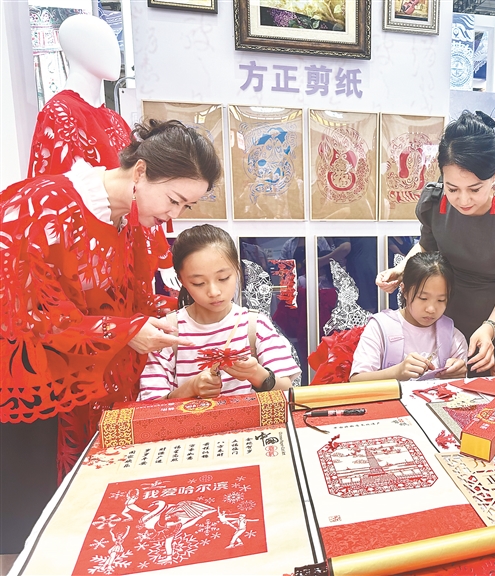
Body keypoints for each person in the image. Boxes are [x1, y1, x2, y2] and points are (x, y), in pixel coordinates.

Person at [0, 119, 221, 554]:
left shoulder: (132, 222)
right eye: (173, 200)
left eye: (187, 206)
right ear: (141, 171)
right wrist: (126, 331)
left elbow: (126, 300)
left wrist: (163, 317)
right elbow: (28, 314)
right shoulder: (41, 205)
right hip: (38, 391)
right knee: (34, 533)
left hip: (93, 386)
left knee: (91, 525)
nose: (174, 216)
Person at [376, 111, 495, 375]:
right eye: (452, 188)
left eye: (475, 189)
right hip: (441, 316)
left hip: (494, 321)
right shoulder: (434, 201)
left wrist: (489, 327)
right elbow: (426, 246)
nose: (463, 200)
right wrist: (401, 269)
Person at [27, 14, 180, 292]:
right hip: (89, 265)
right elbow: (50, 204)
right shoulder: (59, 113)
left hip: (126, 252)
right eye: (102, 43)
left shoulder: (114, 120)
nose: (114, 53)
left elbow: (141, 191)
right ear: (77, 49)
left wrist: (162, 255)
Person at [138, 225, 301, 401]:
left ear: (237, 270)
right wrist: (189, 389)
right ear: (182, 280)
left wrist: (257, 374)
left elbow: (288, 391)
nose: (214, 292)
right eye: (199, 283)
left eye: (223, 278)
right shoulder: (166, 333)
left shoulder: (255, 326)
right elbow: (149, 406)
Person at [352, 252, 468, 381]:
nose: (431, 309)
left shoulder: (453, 337)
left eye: (441, 300)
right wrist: (396, 373)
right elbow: (357, 380)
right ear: (404, 290)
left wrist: (459, 374)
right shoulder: (380, 327)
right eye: (423, 298)